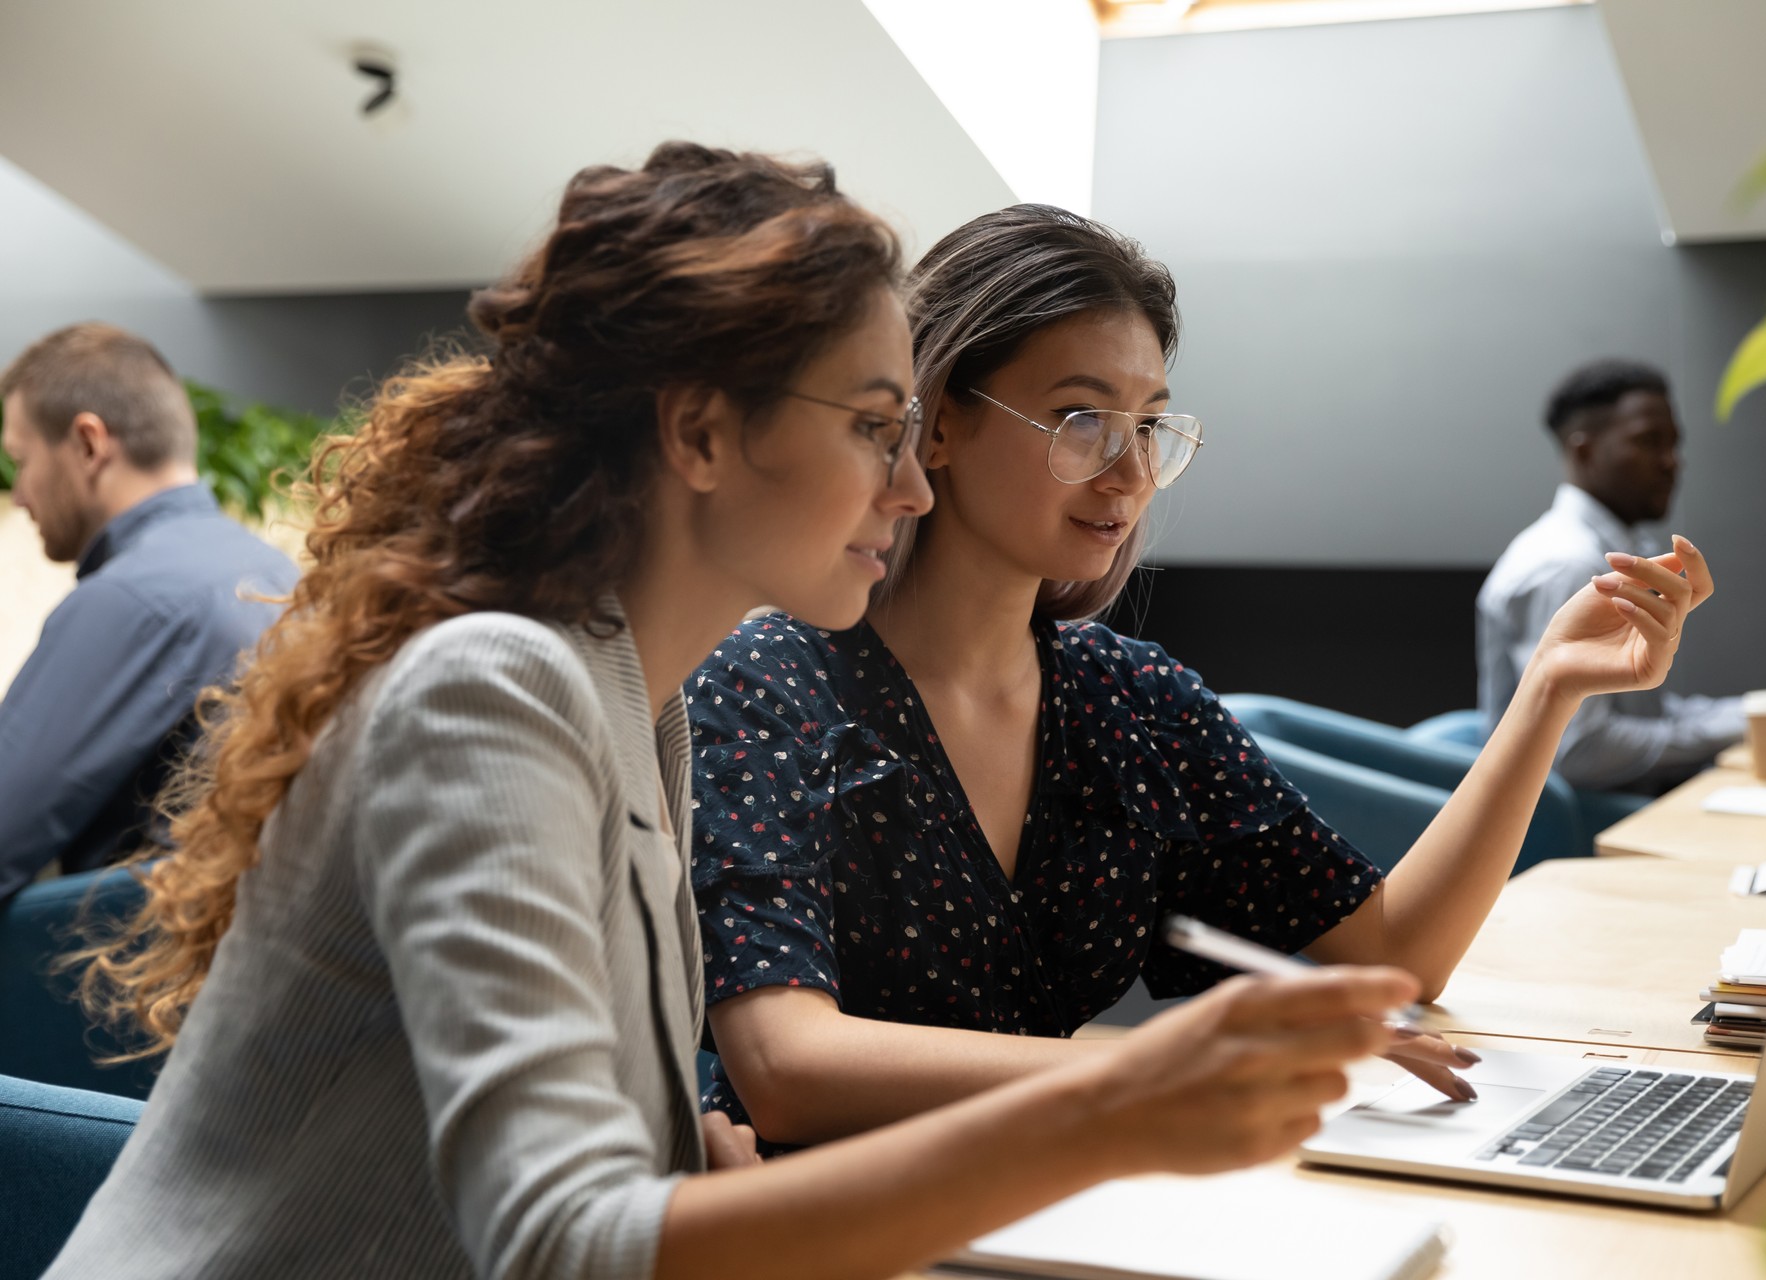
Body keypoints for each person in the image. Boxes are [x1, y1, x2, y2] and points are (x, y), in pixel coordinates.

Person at [48, 146, 1418, 1280]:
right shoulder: (495, 695)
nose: (915, 489)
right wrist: (1107, 1105)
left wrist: (675, 1152)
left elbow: (575, 1171)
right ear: (702, 436)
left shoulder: (639, 702)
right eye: (876, 429)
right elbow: (562, 1248)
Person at [686, 207, 1722, 1149]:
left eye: (1149, 426)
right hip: (819, 1226)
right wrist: (1166, 1065)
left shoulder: (1128, 698)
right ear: (941, 420)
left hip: (1057, 1203)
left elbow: (1393, 957)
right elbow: (787, 1069)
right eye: (1082, 419)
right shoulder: (771, 682)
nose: (1130, 473)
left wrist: (1550, 689)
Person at [0, 324, 297, 903]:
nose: (19, 495)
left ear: (88, 443)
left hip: (126, 976)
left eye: (22, 460)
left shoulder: (137, 599)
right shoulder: (280, 577)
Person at [1477, 359, 1766, 794]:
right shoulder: (1567, 566)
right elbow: (1580, 750)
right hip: (1584, 819)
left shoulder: (1612, 551)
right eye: (1649, 442)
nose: (1672, 462)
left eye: (1674, 444)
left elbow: (1641, 713)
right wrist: (1747, 725)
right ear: (1585, 451)